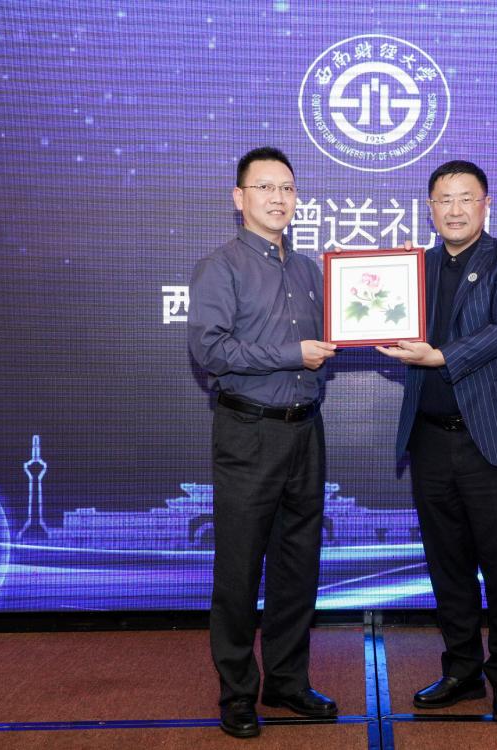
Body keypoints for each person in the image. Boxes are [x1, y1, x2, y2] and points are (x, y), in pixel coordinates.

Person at [377, 160, 497, 724]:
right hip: (430, 440)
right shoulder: (415, 268)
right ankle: (461, 670)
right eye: (443, 200)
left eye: (465, 198)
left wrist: (439, 356)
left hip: (490, 440)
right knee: (446, 564)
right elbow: (385, 316)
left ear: (485, 204)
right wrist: (378, 300)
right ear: (429, 209)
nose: (454, 210)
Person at [188, 146, 338, 739]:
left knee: (298, 567)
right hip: (248, 432)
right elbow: (210, 349)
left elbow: (341, 331)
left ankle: (287, 681)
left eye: (288, 189)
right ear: (239, 198)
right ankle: (236, 692)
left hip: (306, 430)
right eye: (265, 187)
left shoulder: (309, 272)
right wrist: (290, 353)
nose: (279, 198)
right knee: (240, 569)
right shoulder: (219, 267)